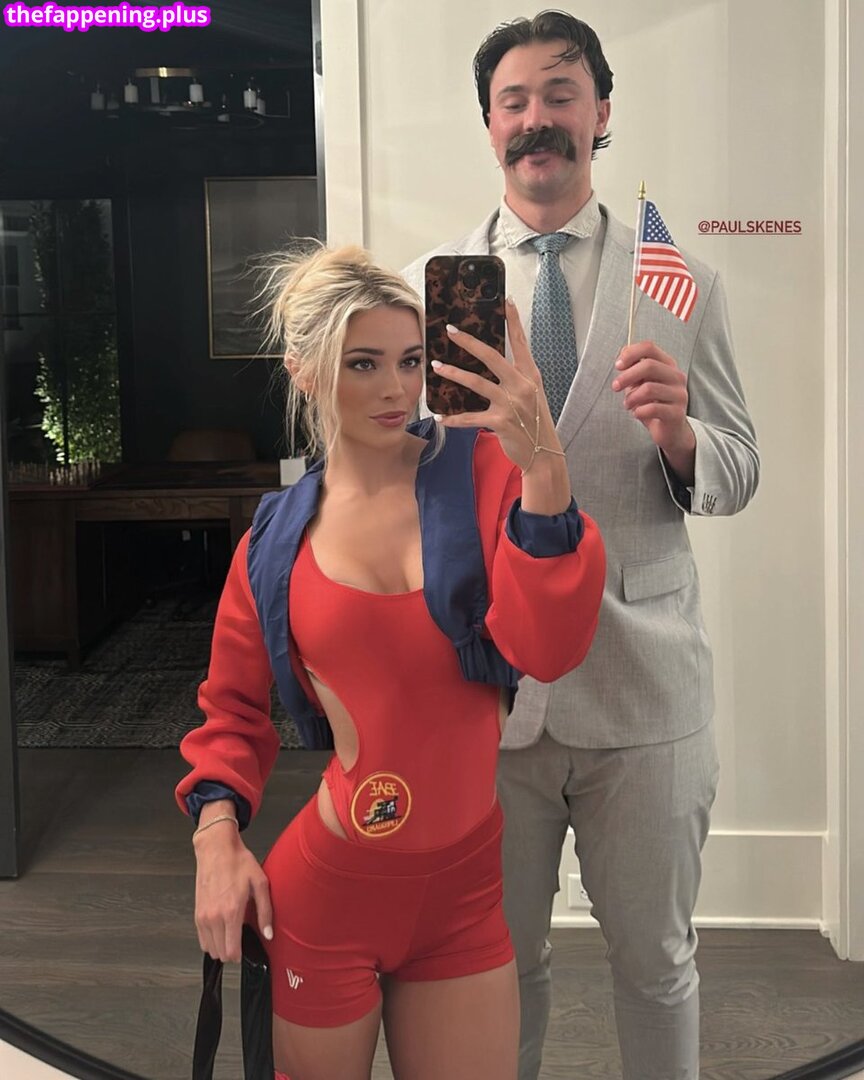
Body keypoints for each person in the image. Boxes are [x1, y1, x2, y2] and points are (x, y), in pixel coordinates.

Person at [403, 11, 760, 1080]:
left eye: (560, 94)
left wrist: (682, 435)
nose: (536, 119)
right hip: (487, 694)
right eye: (512, 101)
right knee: (495, 969)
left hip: (646, 693)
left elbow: (741, 468)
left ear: (600, 112)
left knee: (656, 964)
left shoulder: (677, 281)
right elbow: (400, 487)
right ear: (488, 125)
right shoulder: (435, 288)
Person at [174, 244, 606, 1080]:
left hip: (465, 894)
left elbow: (549, 652)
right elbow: (231, 712)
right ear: (304, 372)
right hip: (328, 893)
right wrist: (215, 841)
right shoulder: (274, 541)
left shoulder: (484, 473)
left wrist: (544, 461)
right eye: (361, 363)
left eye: (410, 361)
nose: (395, 389)